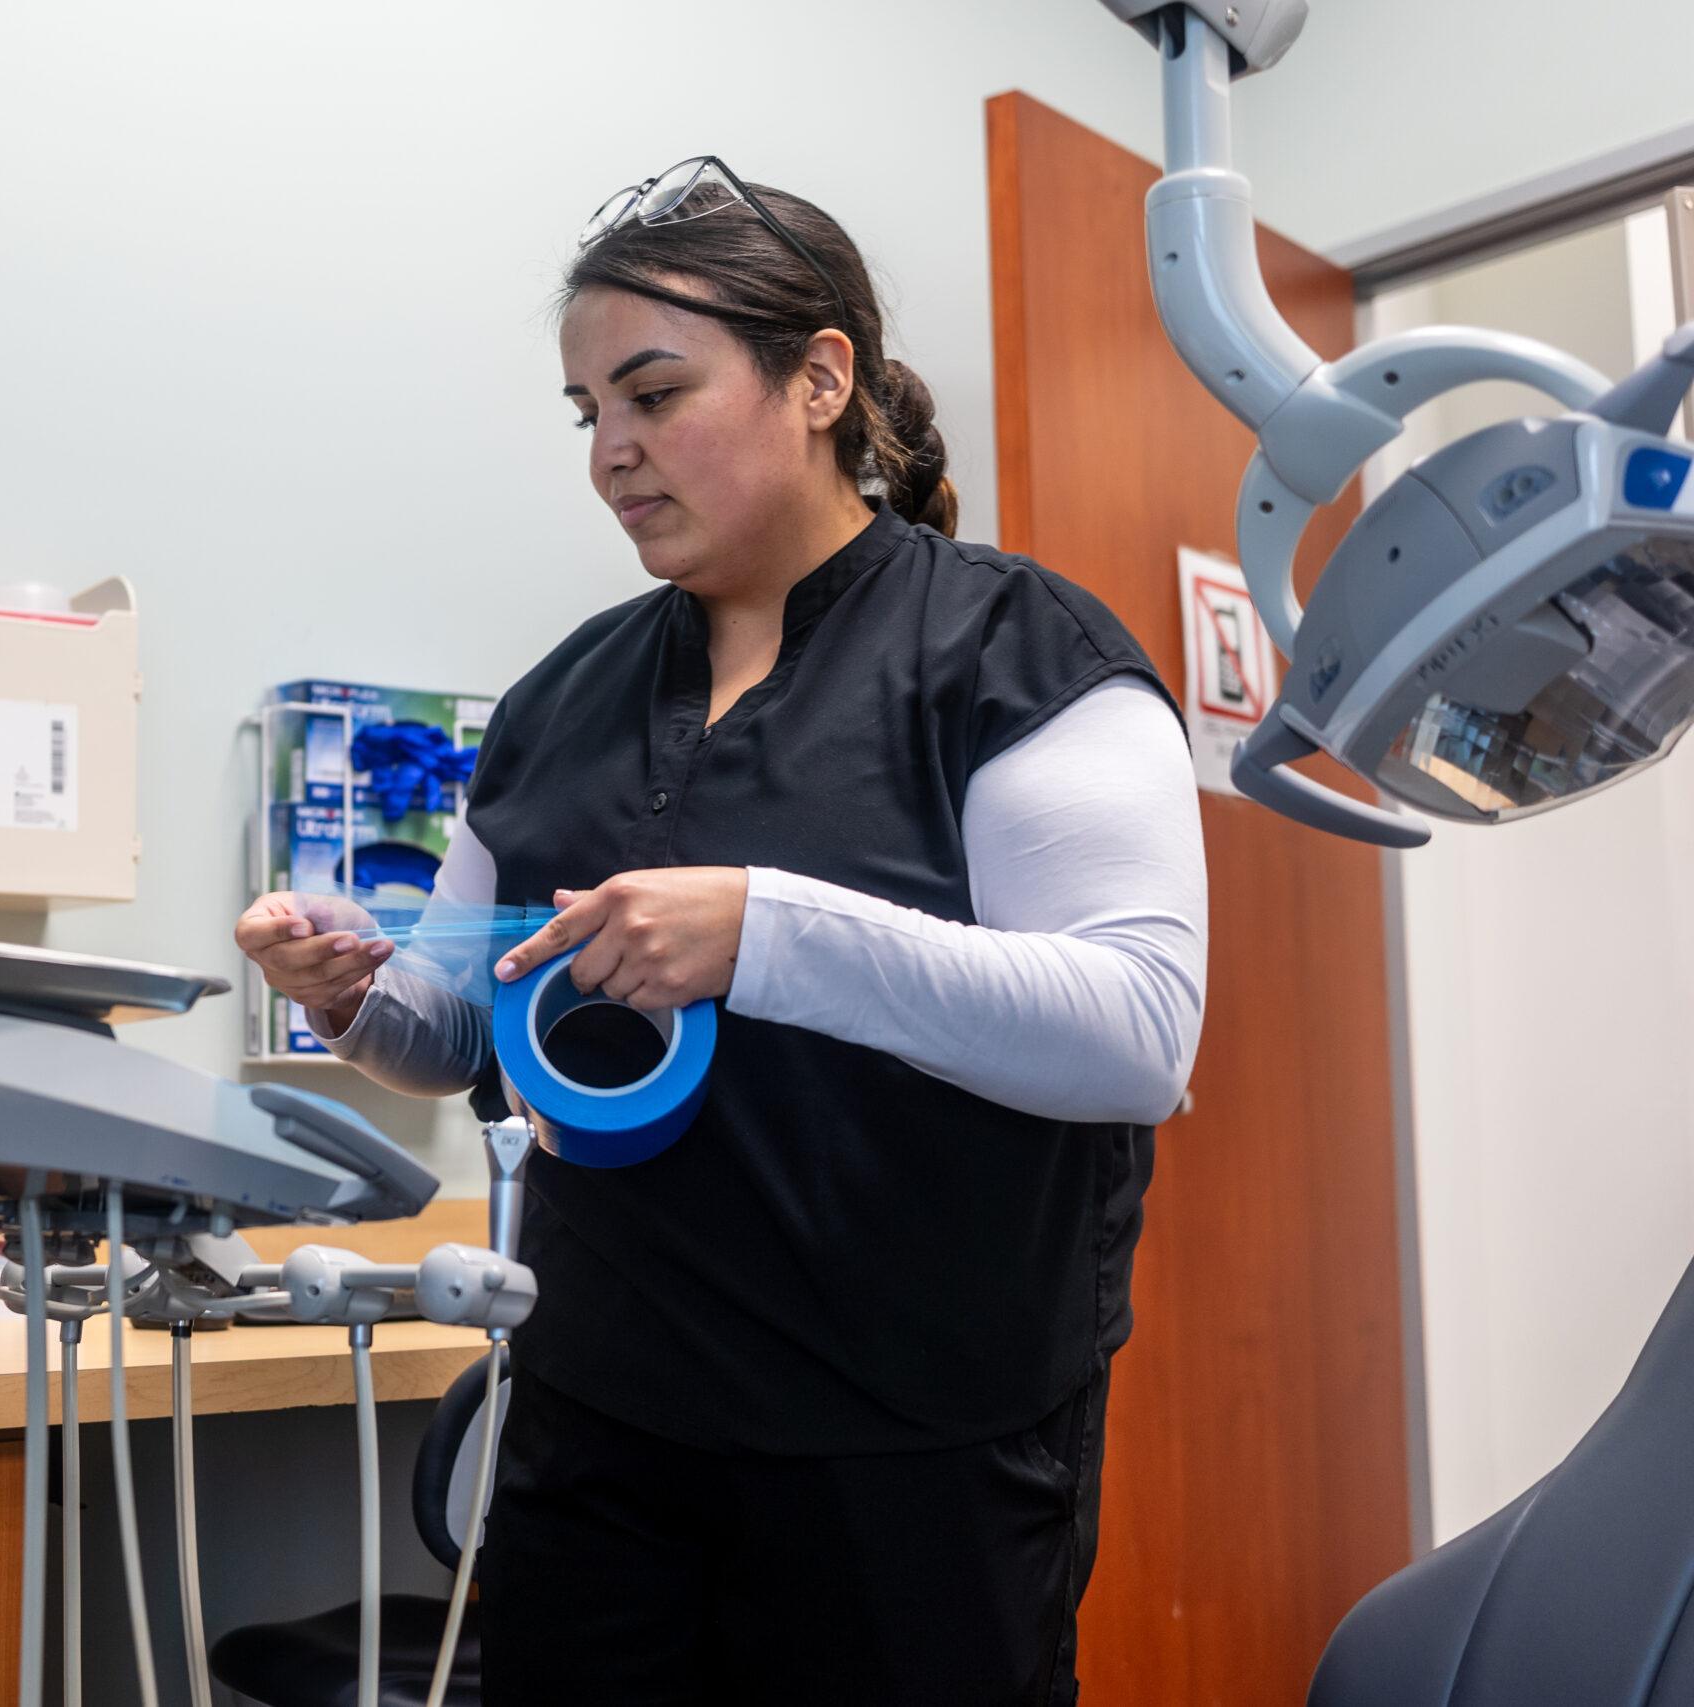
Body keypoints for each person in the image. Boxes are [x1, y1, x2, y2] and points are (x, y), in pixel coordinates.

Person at [234, 158, 1206, 1705]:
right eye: (586, 416)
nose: (613, 454)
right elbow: (461, 1026)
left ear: (820, 380)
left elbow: (1135, 1035)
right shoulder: (564, 696)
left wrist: (763, 932)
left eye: (655, 393)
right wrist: (357, 994)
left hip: (909, 1464)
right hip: (598, 1436)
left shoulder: (1018, 652)